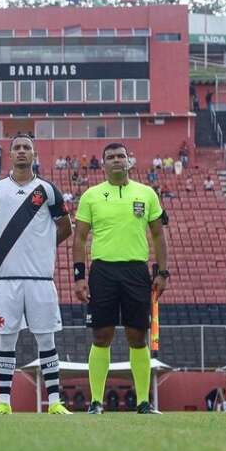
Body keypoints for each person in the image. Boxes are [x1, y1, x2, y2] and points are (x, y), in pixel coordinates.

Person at [0, 134, 72, 415]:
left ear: (34, 153)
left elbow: (65, 228)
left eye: (26, 148)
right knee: (6, 340)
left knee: (47, 340)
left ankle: (54, 402)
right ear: (9, 153)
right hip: (7, 280)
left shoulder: (47, 189)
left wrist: (42, 248)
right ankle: (4, 402)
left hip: (41, 280)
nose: (21, 152)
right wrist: (3, 247)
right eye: (16, 148)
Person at [73, 142, 168, 415]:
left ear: (129, 161)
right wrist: (79, 276)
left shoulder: (146, 194)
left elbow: (159, 235)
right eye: (111, 157)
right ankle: (95, 402)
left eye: (121, 156)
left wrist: (162, 272)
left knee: (138, 336)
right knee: (102, 335)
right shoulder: (91, 195)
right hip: (102, 272)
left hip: (136, 271)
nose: (116, 160)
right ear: (103, 164)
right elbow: (79, 238)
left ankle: (143, 402)